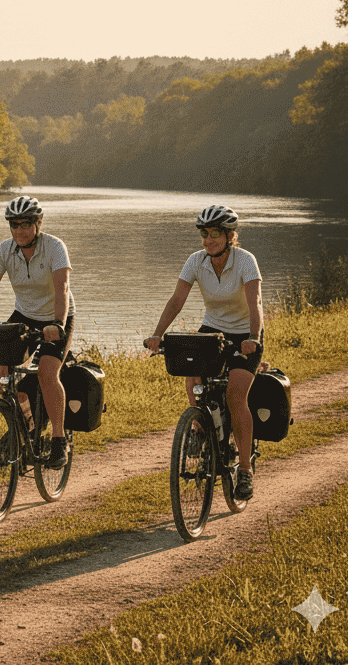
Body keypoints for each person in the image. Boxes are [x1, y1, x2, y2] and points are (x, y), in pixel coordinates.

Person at [144, 205, 263, 501]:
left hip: (245, 333)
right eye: (204, 233)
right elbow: (176, 300)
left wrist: (253, 338)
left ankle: (246, 470)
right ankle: (199, 427)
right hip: (212, 329)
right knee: (191, 373)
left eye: (214, 233)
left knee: (236, 395)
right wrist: (158, 334)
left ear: (229, 235)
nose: (208, 239)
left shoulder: (245, 260)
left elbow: (255, 302)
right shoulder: (196, 261)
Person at [0, 195, 75, 468]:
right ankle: (29, 428)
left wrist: (57, 324)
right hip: (24, 315)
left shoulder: (55, 247)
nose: (19, 230)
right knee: (3, 379)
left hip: (58, 317)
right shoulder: (4, 250)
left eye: (25, 223)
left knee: (47, 373)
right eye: (14, 224)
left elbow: (62, 289)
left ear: (38, 224)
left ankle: (58, 441)